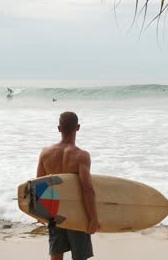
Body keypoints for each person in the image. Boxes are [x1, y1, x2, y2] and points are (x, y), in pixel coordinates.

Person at [36, 111, 100, 260]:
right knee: (80, 257)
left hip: (54, 211)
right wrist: (93, 218)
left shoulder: (45, 153)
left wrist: (40, 213)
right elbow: (87, 189)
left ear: (59, 128)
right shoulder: (81, 156)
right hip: (77, 213)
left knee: (56, 255)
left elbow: (39, 185)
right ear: (77, 127)